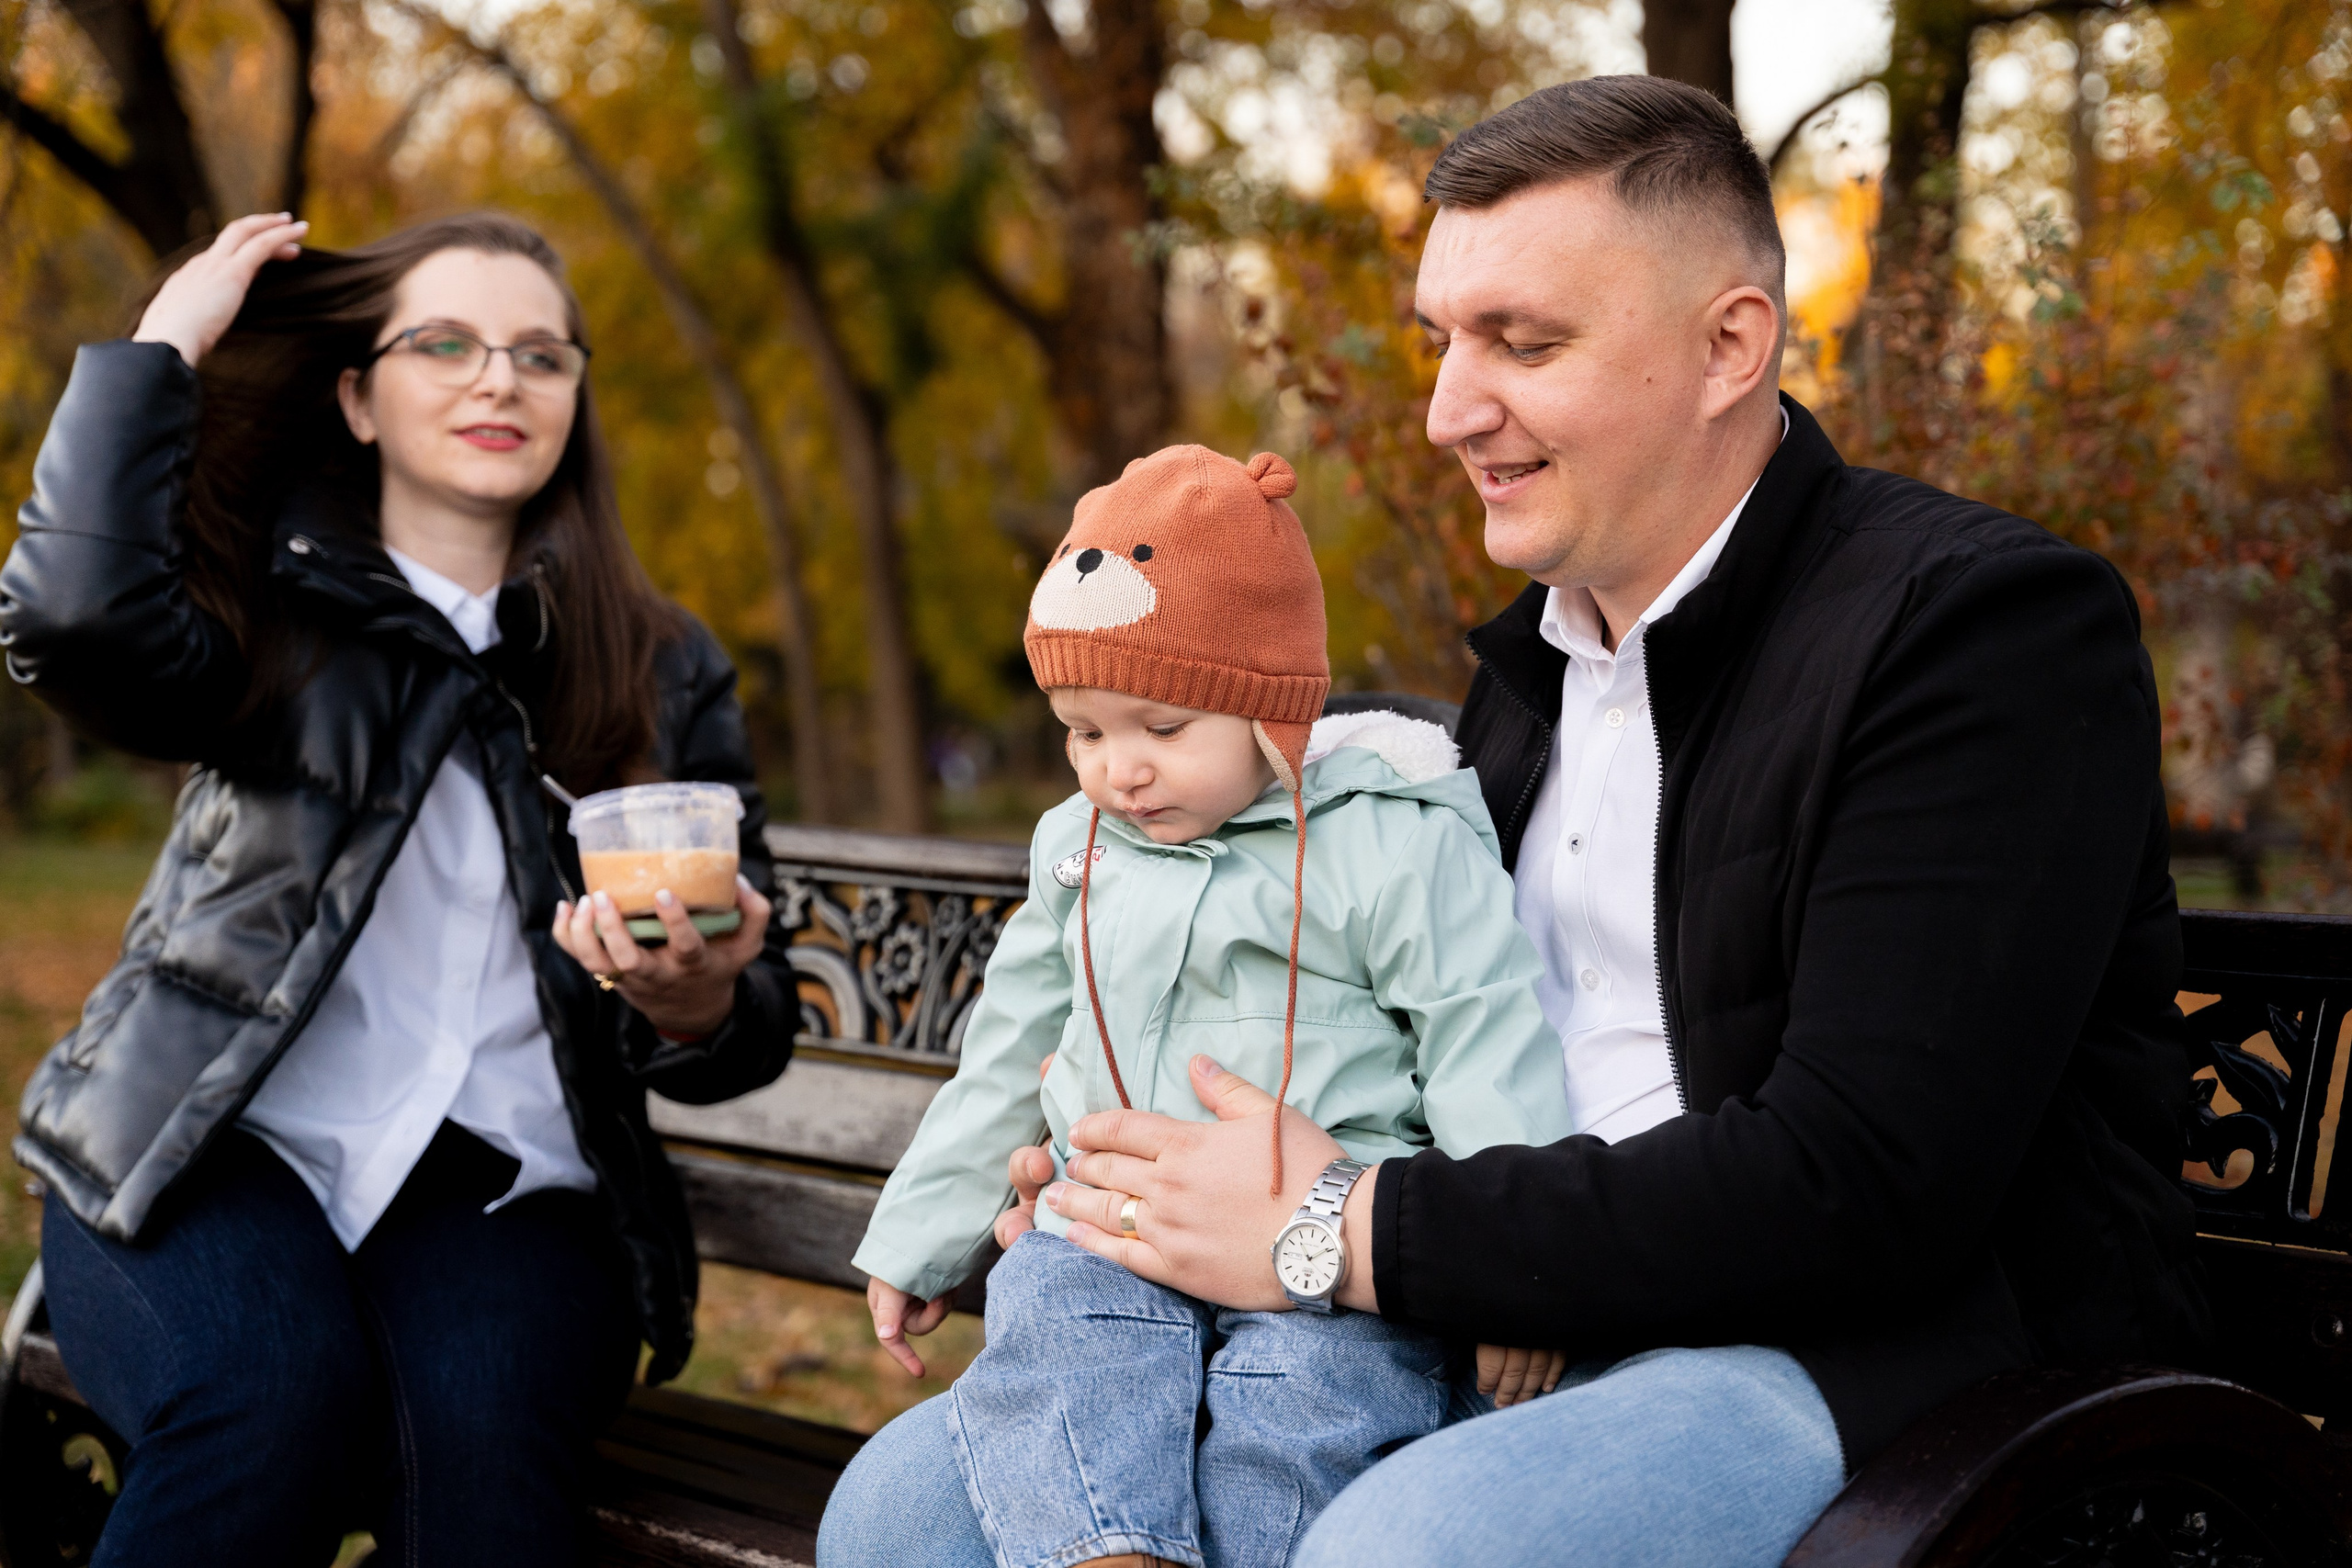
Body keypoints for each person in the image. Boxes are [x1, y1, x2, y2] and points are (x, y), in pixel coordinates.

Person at [816, 75, 2207, 1568]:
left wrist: (1334, 1229)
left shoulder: (1974, 632)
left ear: (1729, 345)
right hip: (1482, 1306)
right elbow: (1403, 1025)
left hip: (1875, 1357)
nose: (1447, 409)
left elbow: (1867, 1182)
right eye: (1443, 343)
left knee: (1399, 1555)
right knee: (899, 1518)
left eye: (1522, 343)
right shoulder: (1521, 689)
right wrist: (1154, 1183)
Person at [1, 211, 800, 1567]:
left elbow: (752, 1018)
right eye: (447, 344)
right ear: (359, 397)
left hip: (512, 1191)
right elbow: (69, 621)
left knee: (484, 1456)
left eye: (541, 355)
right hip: (203, 1145)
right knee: (265, 1401)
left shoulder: (662, 665)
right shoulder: (266, 607)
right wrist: (161, 348)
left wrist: (696, 994)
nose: (500, 379)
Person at [831, 444, 1572, 1568]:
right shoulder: (1078, 852)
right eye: (1083, 732)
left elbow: (1482, 1038)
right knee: (1058, 1342)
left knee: (1307, 1399)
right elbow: (1008, 1052)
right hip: (1111, 1228)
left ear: (1271, 711)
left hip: (1328, 1256)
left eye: (1160, 730)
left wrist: (1517, 1272)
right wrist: (920, 1235)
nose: (1117, 771)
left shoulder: (1390, 843)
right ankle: (1109, 1554)